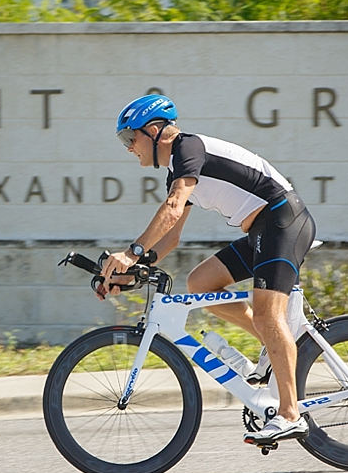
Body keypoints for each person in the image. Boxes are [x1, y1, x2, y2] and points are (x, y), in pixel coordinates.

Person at [99, 93, 318, 446]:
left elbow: (172, 209)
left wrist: (132, 252)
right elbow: (171, 237)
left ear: (153, 131)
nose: (128, 148)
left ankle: (291, 415)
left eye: (129, 138)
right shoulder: (177, 170)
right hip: (263, 230)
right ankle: (271, 349)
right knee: (200, 282)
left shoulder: (188, 148)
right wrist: (133, 270)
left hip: (283, 222)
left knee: (268, 314)